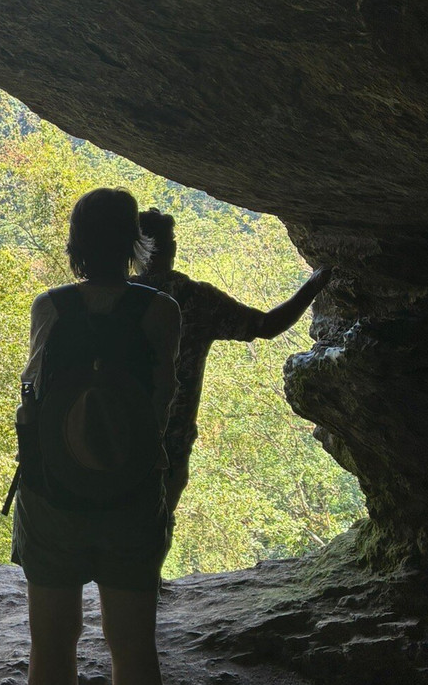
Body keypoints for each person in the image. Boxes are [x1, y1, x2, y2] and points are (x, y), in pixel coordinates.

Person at [11, 188, 181, 685]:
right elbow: (162, 403)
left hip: (52, 496)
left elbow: (31, 399)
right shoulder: (161, 311)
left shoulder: (52, 307)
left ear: (76, 243)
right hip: (130, 496)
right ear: (135, 243)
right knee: (133, 648)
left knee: (53, 646)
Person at [135, 208, 333, 514]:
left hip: (117, 434)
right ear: (170, 247)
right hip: (171, 440)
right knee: (153, 525)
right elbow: (266, 326)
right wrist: (313, 285)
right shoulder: (195, 299)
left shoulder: (116, 298)